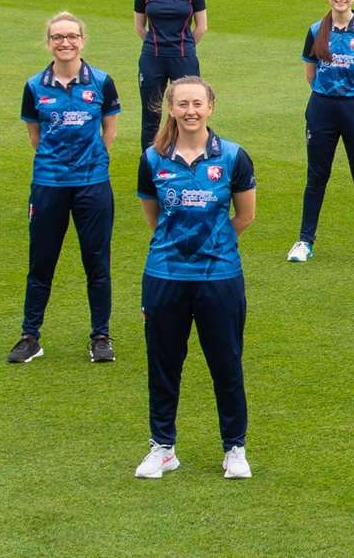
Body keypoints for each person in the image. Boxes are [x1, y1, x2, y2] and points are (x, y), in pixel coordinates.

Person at [132, 76, 257, 480]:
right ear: (170, 108)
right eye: (182, 104)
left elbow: (245, 216)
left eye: (197, 104)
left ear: (210, 108)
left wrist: (212, 244)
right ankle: (163, 447)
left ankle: (234, 448)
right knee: (164, 363)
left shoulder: (234, 157)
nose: (190, 111)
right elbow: (154, 218)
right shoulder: (153, 158)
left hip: (219, 276)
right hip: (165, 275)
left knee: (226, 362)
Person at [10, 12, 122, 365]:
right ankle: (31, 336)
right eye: (58, 37)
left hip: (93, 185)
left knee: (97, 263)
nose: (65, 42)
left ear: (82, 40)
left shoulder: (102, 82)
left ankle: (100, 336)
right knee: (41, 263)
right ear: (49, 43)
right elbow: (35, 136)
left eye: (72, 36)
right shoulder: (34, 86)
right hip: (48, 184)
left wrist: (89, 163)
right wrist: (58, 165)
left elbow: (109, 132)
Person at [287, 0, 354, 265]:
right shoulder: (317, 29)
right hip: (322, 108)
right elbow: (309, 73)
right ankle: (305, 241)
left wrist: (351, 95)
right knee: (316, 176)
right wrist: (330, 94)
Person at [133, 0, 208, 152]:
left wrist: (184, 46)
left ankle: (187, 157)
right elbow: (139, 26)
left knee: (188, 112)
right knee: (151, 113)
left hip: (183, 58)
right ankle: (149, 164)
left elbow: (201, 26)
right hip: (152, 58)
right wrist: (155, 45)